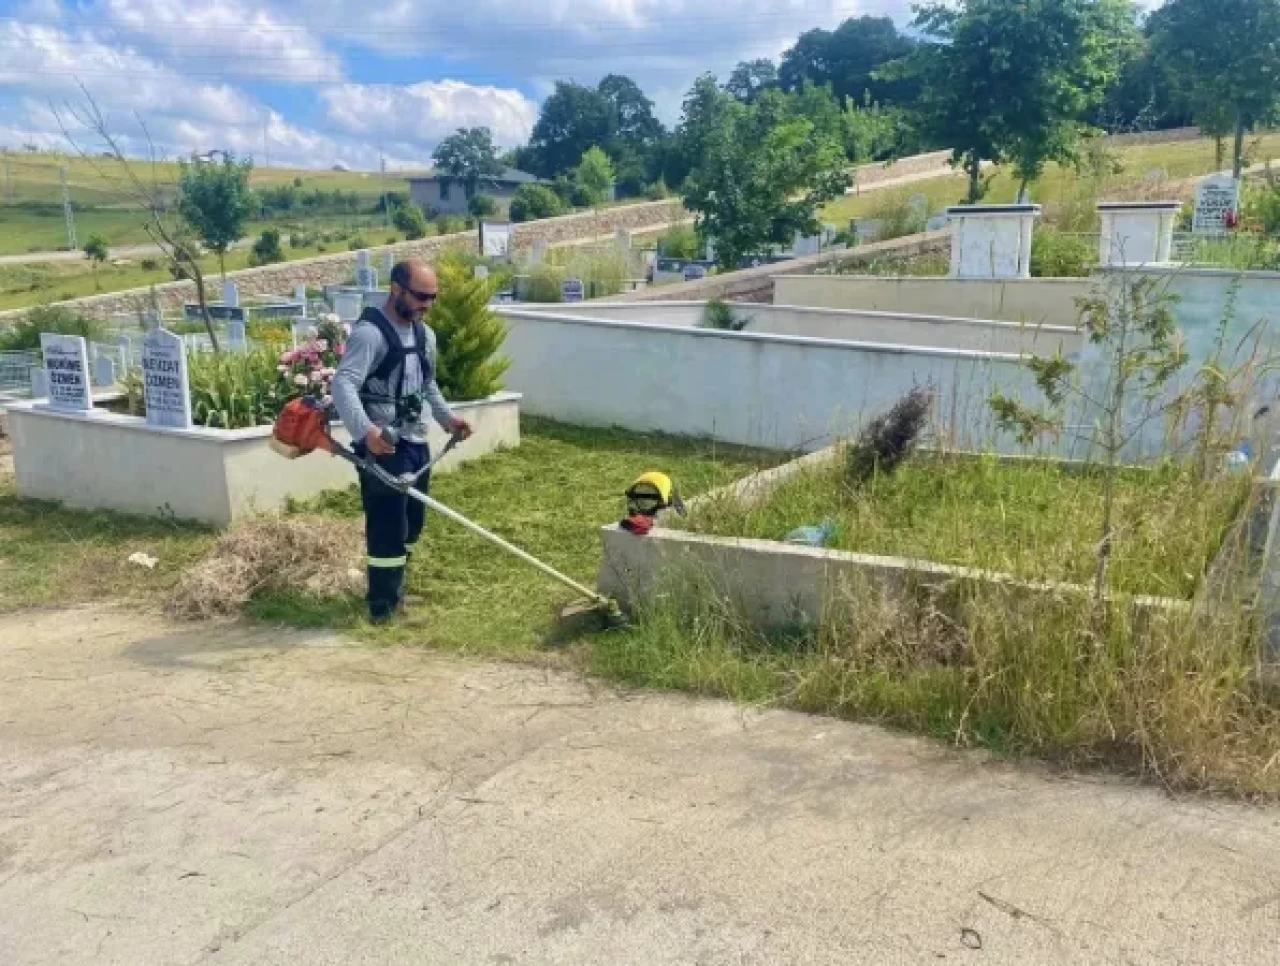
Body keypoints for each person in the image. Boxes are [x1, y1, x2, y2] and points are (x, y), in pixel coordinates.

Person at [332, 258, 472, 623]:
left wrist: (448, 419)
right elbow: (343, 383)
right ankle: (383, 609)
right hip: (382, 446)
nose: (427, 304)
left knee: (412, 523)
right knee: (387, 526)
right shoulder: (370, 334)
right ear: (396, 289)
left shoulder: (426, 336)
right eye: (421, 296)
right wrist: (367, 433)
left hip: (414, 442)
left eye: (433, 298)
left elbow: (427, 385)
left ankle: (395, 592)